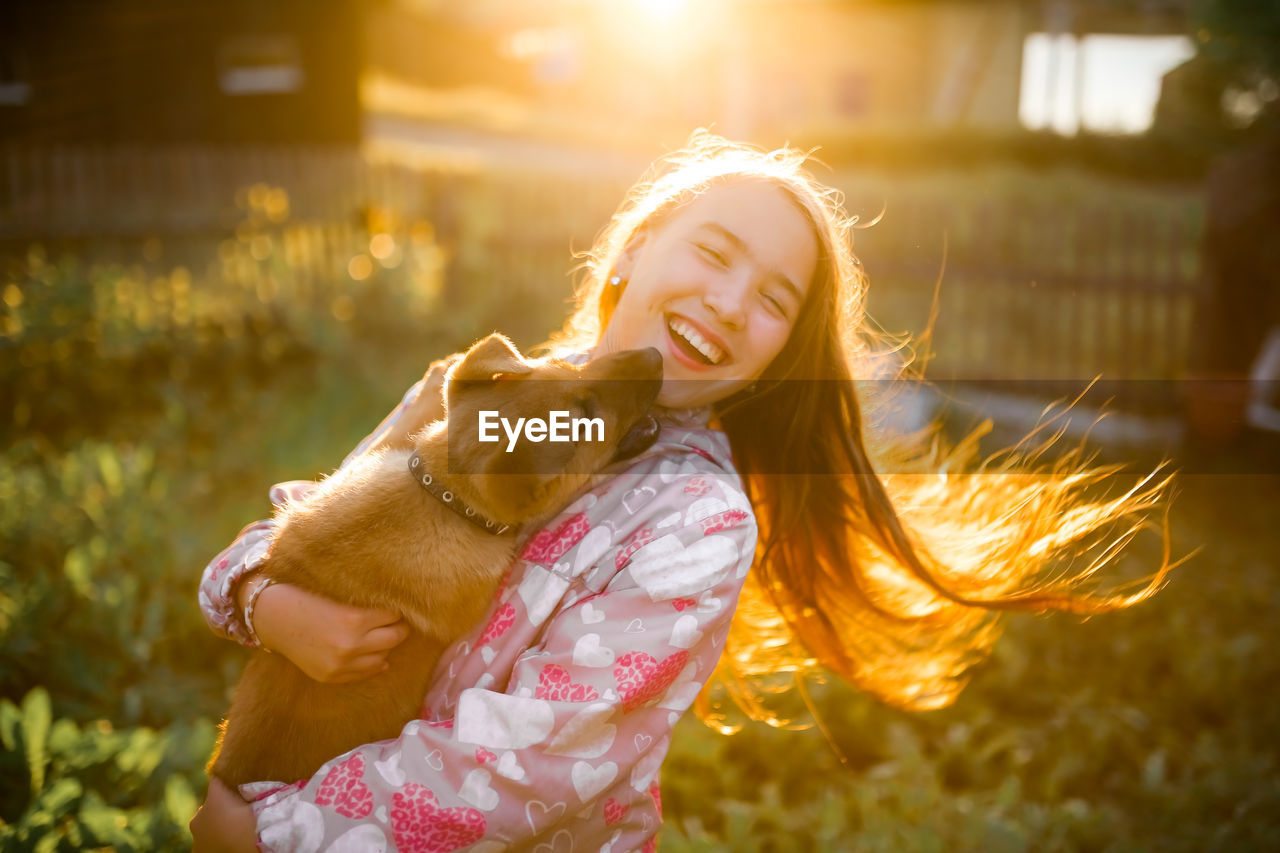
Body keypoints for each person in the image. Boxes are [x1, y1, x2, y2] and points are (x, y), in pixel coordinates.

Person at [190, 132, 1174, 851]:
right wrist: (262, 598)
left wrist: (279, 832)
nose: (727, 302)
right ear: (633, 249)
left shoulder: (695, 526)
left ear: (769, 366)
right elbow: (311, 526)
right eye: (711, 253)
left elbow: (524, 766)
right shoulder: (485, 390)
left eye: (771, 302)